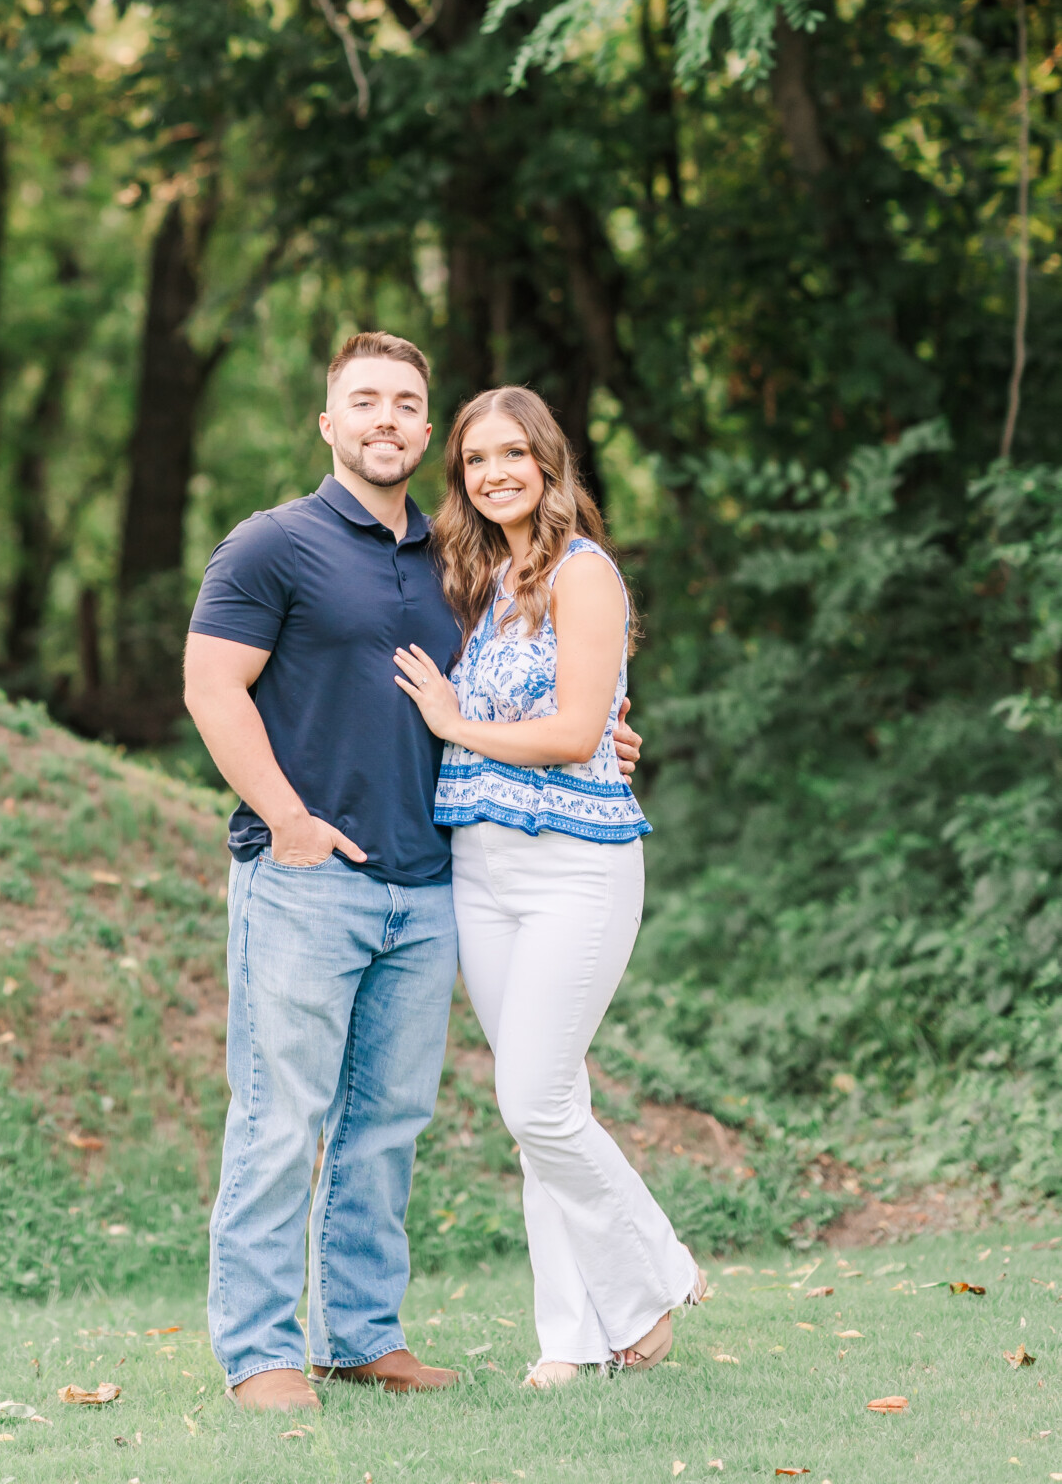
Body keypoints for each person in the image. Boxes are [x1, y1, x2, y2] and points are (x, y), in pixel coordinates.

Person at [184, 336, 643, 1411]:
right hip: (307, 877)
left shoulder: (462, 558)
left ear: (426, 431)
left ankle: (362, 1337)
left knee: (387, 1125)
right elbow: (213, 687)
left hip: (435, 879)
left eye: (405, 403)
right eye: (364, 401)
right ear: (329, 422)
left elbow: (537, 681)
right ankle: (258, 1352)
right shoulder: (272, 545)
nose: (385, 418)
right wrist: (286, 819)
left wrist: (609, 735)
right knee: (278, 1117)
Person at [393, 384, 703, 1386]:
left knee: (534, 1099)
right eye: (476, 459)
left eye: (513, 453)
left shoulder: (585, 573)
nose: (494, 472)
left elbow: (574, 734)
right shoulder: (485, 581)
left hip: (577, 865)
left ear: (550, 462)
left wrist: (457, 726)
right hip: (481, 868)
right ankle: (567, 1340)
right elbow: (582, 723)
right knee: (544, 1098)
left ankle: (652, 1272)